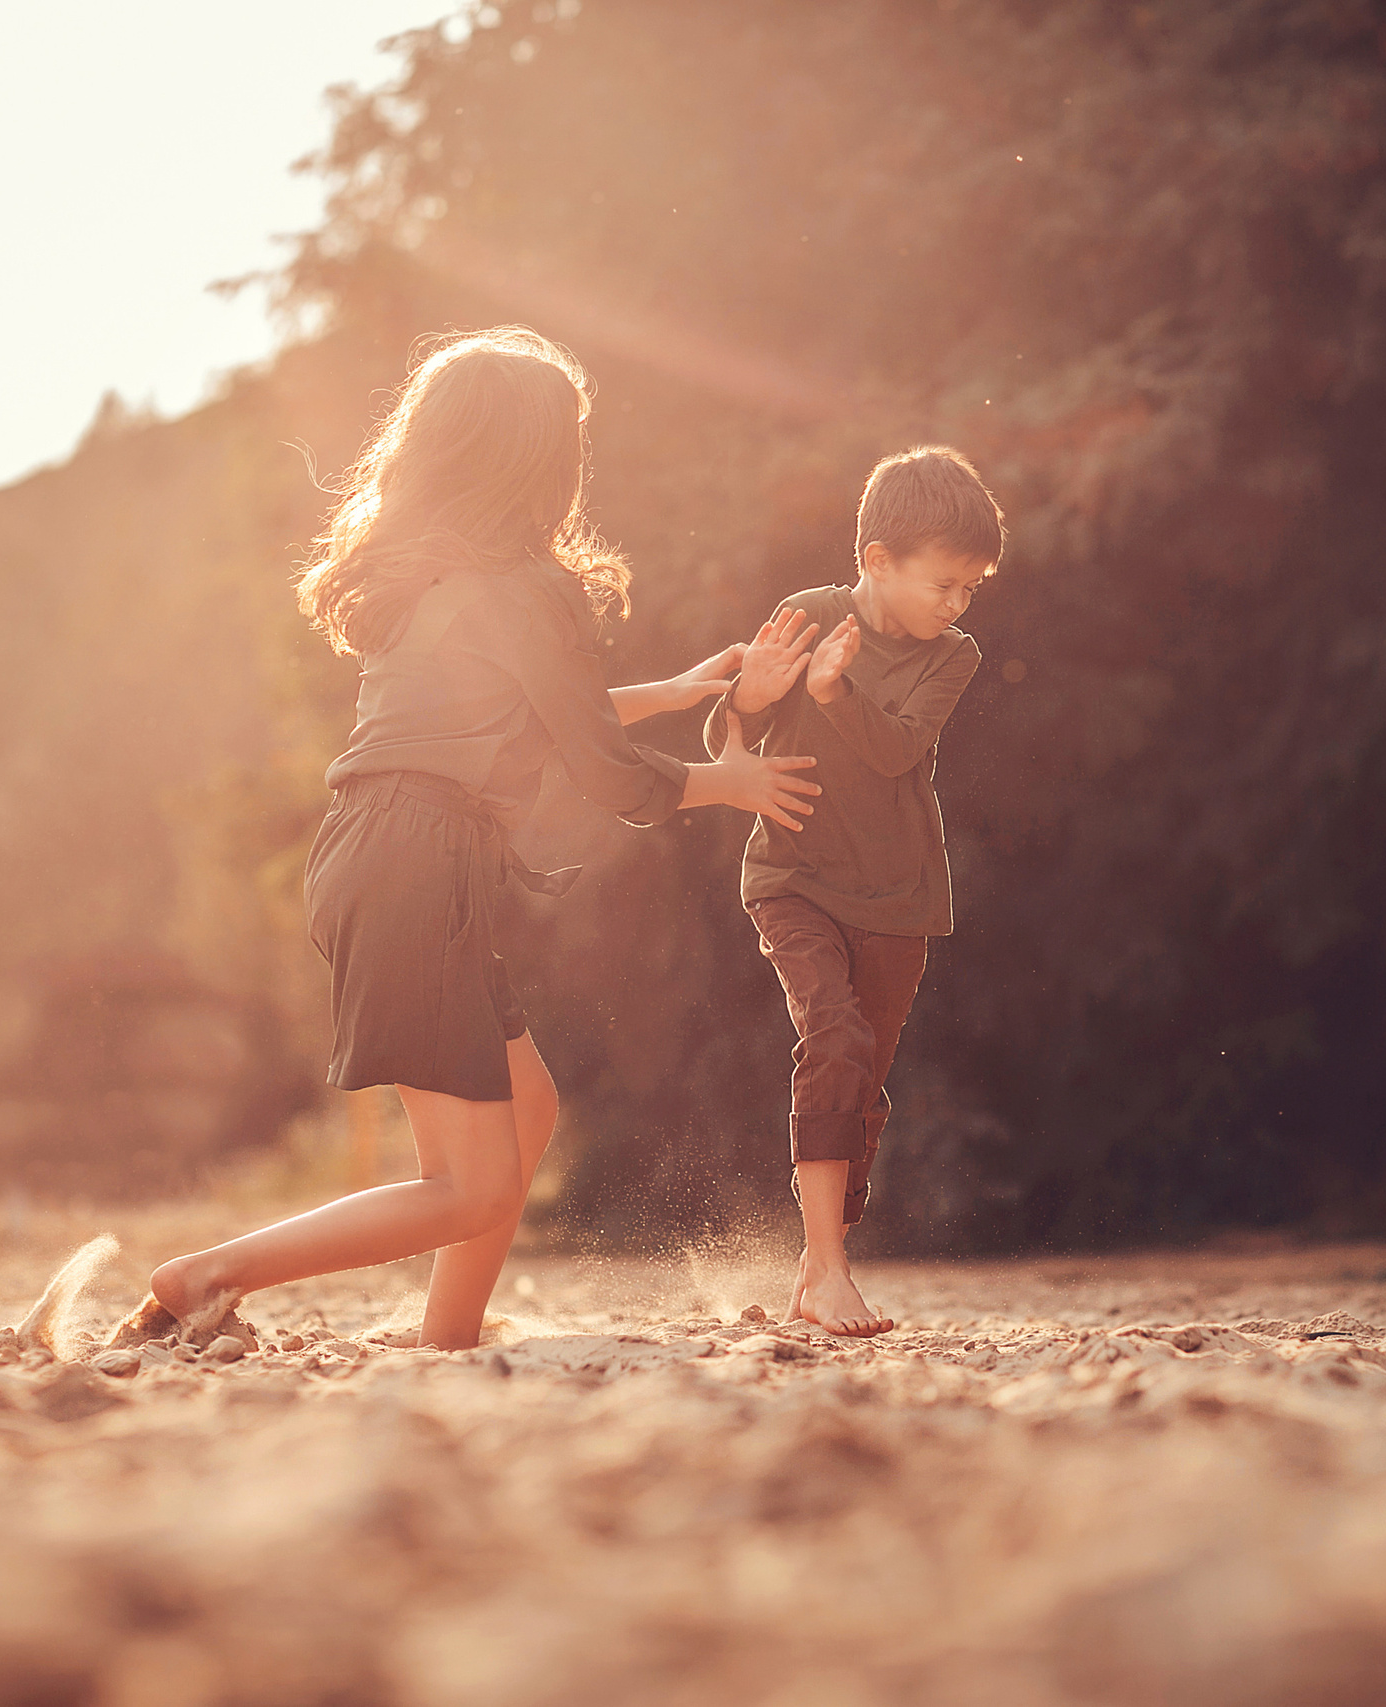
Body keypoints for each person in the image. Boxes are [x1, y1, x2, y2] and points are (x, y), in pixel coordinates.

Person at [114, 327, 819, 1353]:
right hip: (420, 865)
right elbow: (606, 777)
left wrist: (672, 692)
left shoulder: (432, 578)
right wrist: (731, 781)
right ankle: (203, 1277)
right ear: (542, 459)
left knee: (524, 1111)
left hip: (375, 852)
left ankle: (448, 1329)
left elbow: (513, 717)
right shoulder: (528, 585)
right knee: (467, 1184)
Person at [704, 446, 1005, 1336]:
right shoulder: (804, 616)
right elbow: (732, 737)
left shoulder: (954, 656)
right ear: (878, 560)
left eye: (969, 589)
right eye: (943, 583)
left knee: (862, 1081)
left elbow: (895, 751)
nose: (955, 604)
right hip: (793, 878)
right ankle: (831, 1270)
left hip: (897, 896)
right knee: (830, 1035)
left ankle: (817, 1262)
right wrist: (753, 702)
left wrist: (835, 694)